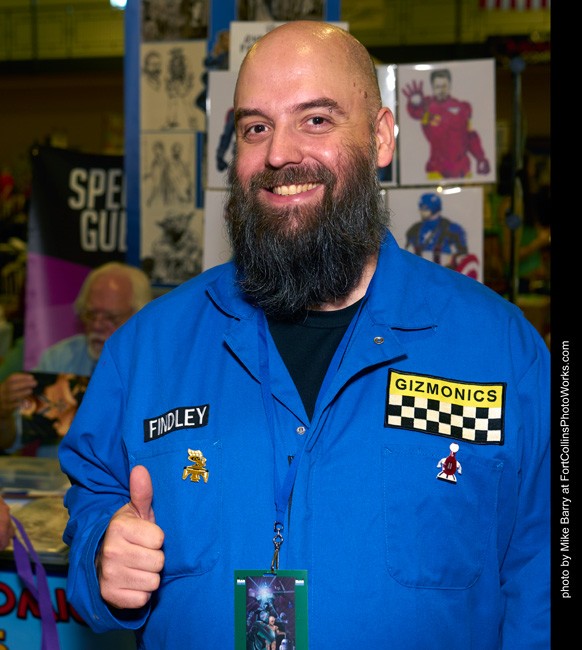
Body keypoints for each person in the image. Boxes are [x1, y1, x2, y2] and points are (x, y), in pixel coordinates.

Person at [59, 22, 550, 649]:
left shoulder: (501, 352)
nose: (279, 155)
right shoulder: (148, 351)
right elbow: (93, 498)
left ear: (380, 137)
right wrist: (102, 551)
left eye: (315, 120)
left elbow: (543, 571)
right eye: (255, 127)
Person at [0, 262, 153, 452]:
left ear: (140, 318)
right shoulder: (59, 358)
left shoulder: (156, 368)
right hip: (57, 471)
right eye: (90, 314)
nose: (97, 325)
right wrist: (3, 413)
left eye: (111, 317)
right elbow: (9, 440)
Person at [402, 68, 491, 179]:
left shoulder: (462, 108)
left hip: (462, 169)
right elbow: (415, 112)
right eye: (438, 87)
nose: (441, 90)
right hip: (437, 169)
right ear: (432, 88)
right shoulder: (427, 106)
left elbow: (470, 136)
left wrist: (480, 158)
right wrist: (415, 103)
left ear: (450, 86)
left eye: (444, 86)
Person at [405, 191, 468, 268]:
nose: (421, 211)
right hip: (419, 270)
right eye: (421, 208)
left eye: (425, 208)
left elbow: (462, 254)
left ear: (434, 209)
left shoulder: (452, 229)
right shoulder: (414, 229)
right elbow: (407, 253)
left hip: (445, 271)